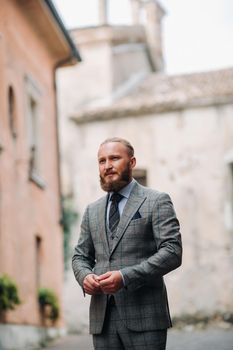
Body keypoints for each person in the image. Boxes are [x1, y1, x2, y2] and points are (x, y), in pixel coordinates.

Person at [72, 137, 182, 350]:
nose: (107, 166)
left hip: (145, 315)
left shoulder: (156, 200)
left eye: (114, 158)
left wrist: (125, 277)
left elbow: (172, 251)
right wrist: (84, 276)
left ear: (132, 162)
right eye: (102, 161)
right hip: (102, 319)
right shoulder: (92, 210)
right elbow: (80, 256)